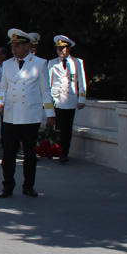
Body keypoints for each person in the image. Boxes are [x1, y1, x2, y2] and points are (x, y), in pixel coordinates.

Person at [0, 28, 54, 197]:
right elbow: (3, 88)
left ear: (28, 46)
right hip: (10, 116)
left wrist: (50, 113)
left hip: (30, 115)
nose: (15, 49)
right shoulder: (7, 64)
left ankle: (28, 186)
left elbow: (46, 90)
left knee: (29, 154)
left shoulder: (40, 63)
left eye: (18, 46)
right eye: (13, 46)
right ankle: (7, 186)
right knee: (8, 154)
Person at [47, 34, 86, 164]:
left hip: (70, 99)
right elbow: (48, 82)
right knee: (58, 126)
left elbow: (82, 82)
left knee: (67, 128)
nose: (61, 51)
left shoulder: (77, 62)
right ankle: (57, 150)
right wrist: (48, 102)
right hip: (57, 99)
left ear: (68, 49)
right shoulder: (52, 63)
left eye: (63, 48)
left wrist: (81, 99)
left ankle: (64, 152)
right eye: (58, 48)